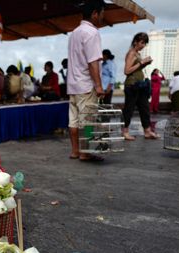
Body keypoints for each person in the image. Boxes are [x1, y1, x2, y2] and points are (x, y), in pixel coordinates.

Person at [66, 0, 105, 161]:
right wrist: (99, 85)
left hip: (73, 85)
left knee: (74, 121)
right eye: (102, 13)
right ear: (95, 13)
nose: (102, 17)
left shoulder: (74, 33)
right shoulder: (92, 33)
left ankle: (75, 151)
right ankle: (85, 152)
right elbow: (92, 61)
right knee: (87, 122)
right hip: (86, 85)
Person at [123, 32, 159, 140]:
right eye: (142, 42)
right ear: (135, 42)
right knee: (129, 109)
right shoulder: (131, 53)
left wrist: (144, 64)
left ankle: (147, 131)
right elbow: (126, 71)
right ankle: (125, 132)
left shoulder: (137, 54)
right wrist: (141, 63)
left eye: (145, 43)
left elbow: (137, 68)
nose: (143, 45)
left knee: (145, 108)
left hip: (140, 85)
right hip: (132, 85)